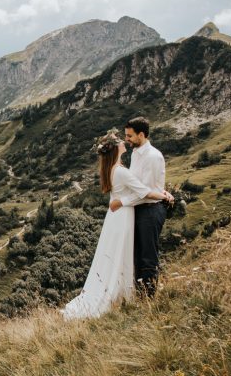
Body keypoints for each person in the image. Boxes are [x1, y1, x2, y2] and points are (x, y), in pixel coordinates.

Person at [62, 131, 172, 320]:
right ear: (115, 148)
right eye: (121, 141)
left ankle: (119, 289)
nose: (125, 142)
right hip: (123, 216)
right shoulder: (120, 170)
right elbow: (143, 191)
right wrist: (165, 195)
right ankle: (120, 293)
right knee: (122, 252)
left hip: (116, 216)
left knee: (115, 253)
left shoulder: (112, 168)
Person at [109, 116, 172, 297]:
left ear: (141, 134)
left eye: (129, 136)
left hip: (151, 209)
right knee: (137, 255)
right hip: (139, 208)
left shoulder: (152, 156)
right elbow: (137, 185)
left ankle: (149, 298)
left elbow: (145, 192)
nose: (126, 139)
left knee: (148, 256)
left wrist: (121, 202)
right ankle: (140, 295)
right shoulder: (137, 153)